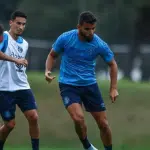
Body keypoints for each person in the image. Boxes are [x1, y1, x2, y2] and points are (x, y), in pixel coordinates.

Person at [45, 11, 118, 150]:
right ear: (79, 27)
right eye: (87, 29)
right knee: (78, 118)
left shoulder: (99, 44)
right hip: (68, 85)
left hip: (89, 85)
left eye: (93, 29)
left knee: (103, 124)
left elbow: (112, 64)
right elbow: (52, 55)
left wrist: (113, 87)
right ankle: (87, 146)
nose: (91, 32)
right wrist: (47, 70)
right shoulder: (66, 38)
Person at [0, 11, 39, 150]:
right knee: (10, 125)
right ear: (11, 22)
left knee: (33, 117)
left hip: (22, 86)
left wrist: (21, 63)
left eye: (23, 24)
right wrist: (16, 60)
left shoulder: (25, 44)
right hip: (4, 88)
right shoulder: (3, 37)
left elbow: (18, 63)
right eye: (18, 23)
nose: (21, 27)